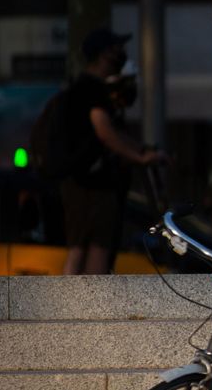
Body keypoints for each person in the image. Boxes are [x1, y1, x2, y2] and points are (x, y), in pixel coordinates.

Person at [57, 28, 168, 274]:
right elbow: (105, 132)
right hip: (91, 184)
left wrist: (139, 150)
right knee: (96, 247)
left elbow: (113, 134)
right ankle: (91, 307)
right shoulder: (92, 89)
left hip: (82, 181)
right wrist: (139, 156)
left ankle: (75, 306)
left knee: (82, 246)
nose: (121, 55)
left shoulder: (81, 89)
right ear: (103, 55)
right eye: (115, 50)